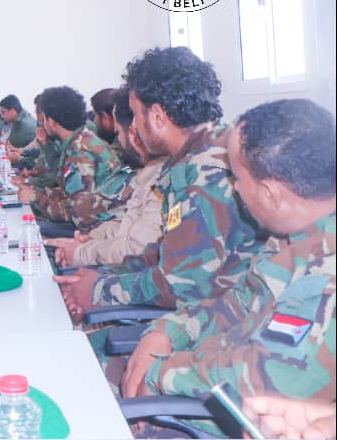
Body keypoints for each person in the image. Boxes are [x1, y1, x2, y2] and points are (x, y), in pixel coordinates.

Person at [119, 99, 334, 436]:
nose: (233, 187)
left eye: (237, 177)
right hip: (212, 376)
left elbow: (265, 378)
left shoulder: (325, 276)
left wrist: (163, 373)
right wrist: (168, 331)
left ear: (271, 193)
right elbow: (235, 304)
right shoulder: (292, 238)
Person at [54, 47, 262, 320]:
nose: (133, 126)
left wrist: (98, 290)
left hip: (220, 324)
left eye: (135, 114)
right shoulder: (201, 155)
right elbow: (169, 254)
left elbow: (180, 285)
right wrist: (104, 274)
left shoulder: (205, 176)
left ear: (157, 116)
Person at [45, 89, 167, 267]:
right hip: (105, 241)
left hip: (134, 267)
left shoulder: (162, 176)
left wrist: (81, 251)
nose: (119, 141)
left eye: (118, 133)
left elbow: (137, 249)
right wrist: (91, 239)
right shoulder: (147, 172)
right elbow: (127, 224)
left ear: (133, 133)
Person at [18, 86, 122, 231]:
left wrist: (34, 199)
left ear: (51, 121)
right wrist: (38, 192)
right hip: (101, 220)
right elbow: (72, 195)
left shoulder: (79, 152)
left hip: (98, 228)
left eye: (44, 118)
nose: (43, 123)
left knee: (26, 228)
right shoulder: (83, 139)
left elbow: (78, 213)